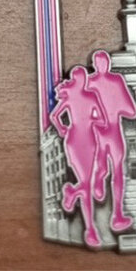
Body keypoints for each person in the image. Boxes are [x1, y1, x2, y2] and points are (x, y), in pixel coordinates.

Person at [50, 66, 107, 248]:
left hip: (81, 140)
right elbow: (102, 120)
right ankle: (90, 230)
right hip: (79, 141)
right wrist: (90, 120)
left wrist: (63, 129)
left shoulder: (79, 97)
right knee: (88, 185)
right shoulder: (85, 97)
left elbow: (55, 117)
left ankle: (73, 193)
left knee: (87, 183)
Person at [87, 49, 136, 232]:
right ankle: (99, 177)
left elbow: (131, 110)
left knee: (118, 171)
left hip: (115, 130)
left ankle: (118, 214)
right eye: (100, 62)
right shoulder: (89, 83)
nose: (103, 65)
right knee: (103, 166)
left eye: (106, 62)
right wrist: (96, 116)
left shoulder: (117, 81)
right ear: (94, 64)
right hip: (98, 132)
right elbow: (84, 109)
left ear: (109, 64)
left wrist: (117, 108)